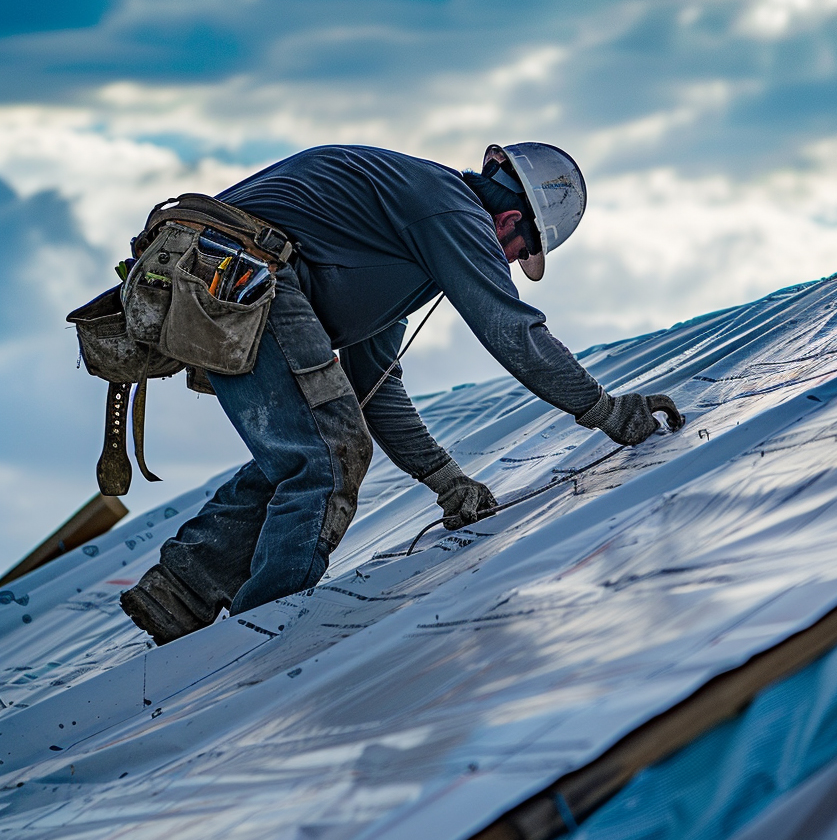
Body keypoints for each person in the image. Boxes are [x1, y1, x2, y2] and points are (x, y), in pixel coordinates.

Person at [120, 142, 682, 644]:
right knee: (323, 457)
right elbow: (514, 332)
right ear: (508, 220)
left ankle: (179, 595)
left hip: (212, 268)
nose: (506, 263)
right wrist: (611, 412)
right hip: (240, 267)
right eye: (517, 252)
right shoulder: (452, 211)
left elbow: (375, 391)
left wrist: (446, 481)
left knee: (311, 444)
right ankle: (257, 639)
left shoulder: (393, 231)